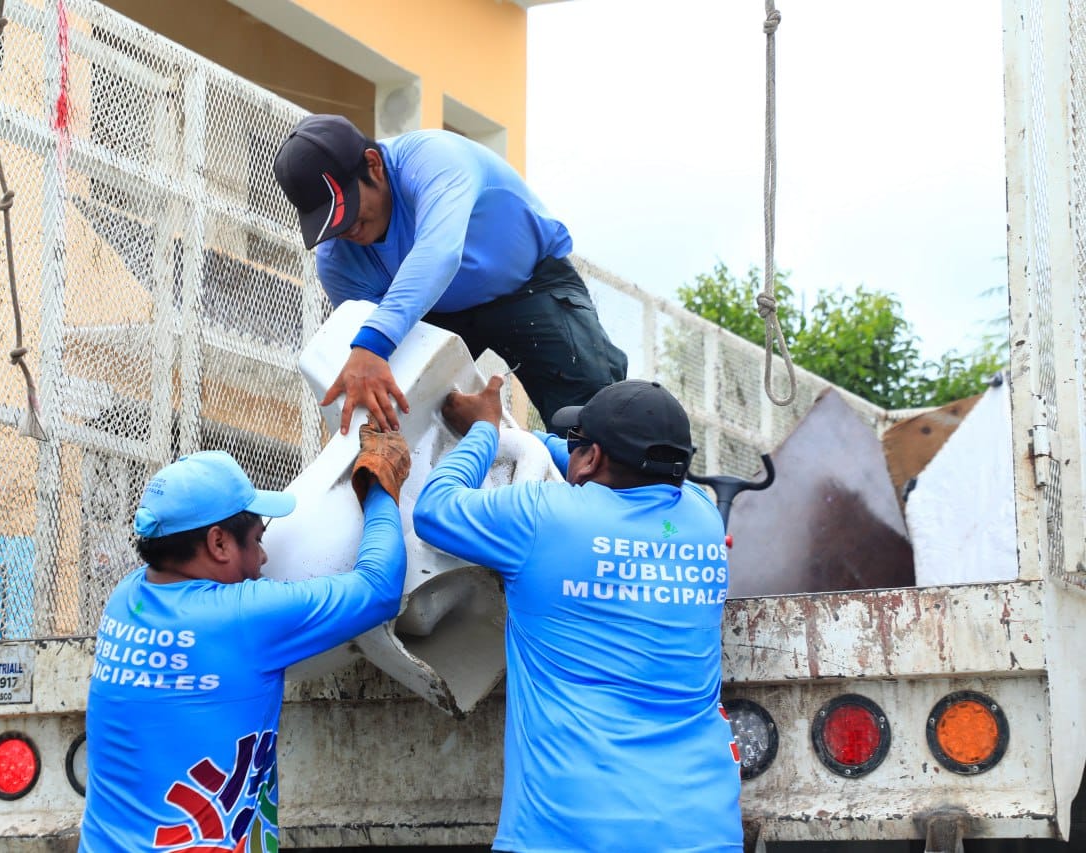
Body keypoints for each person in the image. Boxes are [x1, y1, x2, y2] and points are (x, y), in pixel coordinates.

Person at [413, 378, 742, 852]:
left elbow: (434, 508)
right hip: (703, 831)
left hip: (569, 833)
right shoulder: (702, 517)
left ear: (591, 459)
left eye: (580, 445)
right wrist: (519, 433)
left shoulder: (541, 517)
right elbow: (610, 466)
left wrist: (484, 433)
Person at [79, 435, 410, 852]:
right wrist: (380, 485)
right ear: (218, 543)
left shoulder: (126, 599)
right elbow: (380, 588)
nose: (263, 558)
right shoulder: (243, 618)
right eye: (256, 539)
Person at [272, 113, 627, 436]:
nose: (345, 229)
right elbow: (369, 361)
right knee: (397, 415)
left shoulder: (432, 159)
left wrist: (371, 343)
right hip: (434, 315)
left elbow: (439, 252)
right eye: (329, 224)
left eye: (348, 210)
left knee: (593, 411)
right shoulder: (336, 259)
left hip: (529, 283)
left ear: (373, 164)